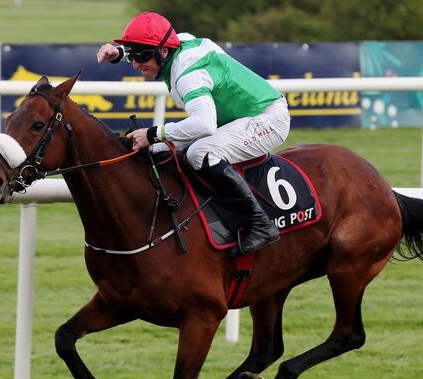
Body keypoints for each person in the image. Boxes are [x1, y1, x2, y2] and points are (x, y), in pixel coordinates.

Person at [96, 12, 291, 258]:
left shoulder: (189, 75)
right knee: (157, 150)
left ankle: (261, 223)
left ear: (164, 52)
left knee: (200, 152)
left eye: (141, 57)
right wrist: (120, 53)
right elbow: (154, 45)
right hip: (236, 120)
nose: (136, 65)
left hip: (267, 120)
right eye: (133, 56)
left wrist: (153, 133)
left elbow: (204, 125)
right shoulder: (178, 45)